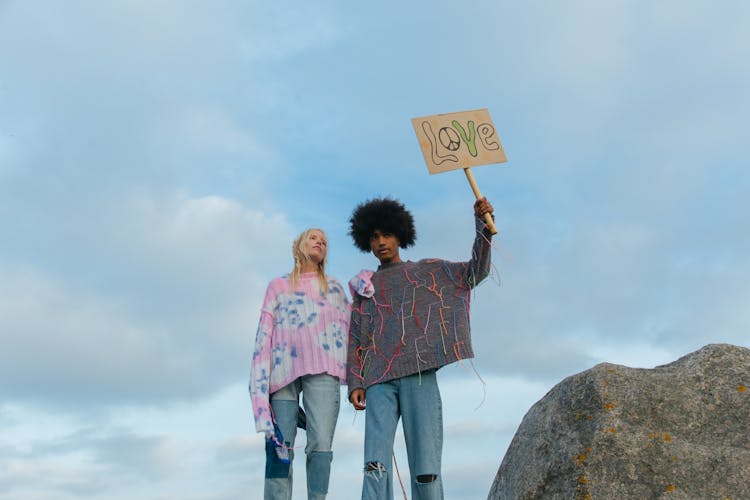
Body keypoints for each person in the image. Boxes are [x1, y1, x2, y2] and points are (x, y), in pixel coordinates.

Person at [346, 197, 494, 500]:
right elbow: (356, 336)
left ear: (400, 235)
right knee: (374, 465)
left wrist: (483, 227)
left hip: (420, 376)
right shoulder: (365, 286)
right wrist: (354, 382)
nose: (381, 242)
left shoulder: (427, 272)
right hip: (377, 383)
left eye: (386, 234)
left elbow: (473, 273)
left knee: (426, 469)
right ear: (367, 242)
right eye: (373, 237)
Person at [249, 228, 350, 500]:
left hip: (324, 369)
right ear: (299, 245)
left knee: (320, 445)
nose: (320, 242)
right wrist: (258, 395)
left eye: (325, 241)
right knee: (280, 448)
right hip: (281, 375)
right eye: (314, 237)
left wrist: (365, 288)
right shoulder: (278, 286)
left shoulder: (335, 287)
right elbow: (262, 337)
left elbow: (354, 327)